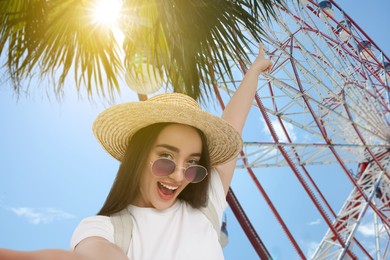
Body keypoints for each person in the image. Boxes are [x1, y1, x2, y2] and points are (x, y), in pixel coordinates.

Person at [0, 43, 272, 260]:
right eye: (166, 158)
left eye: (192, 164)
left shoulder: (206, 206)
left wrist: (254, 71)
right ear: (139, 156)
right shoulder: (105, 228)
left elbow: (232, 126)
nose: (179, 175)